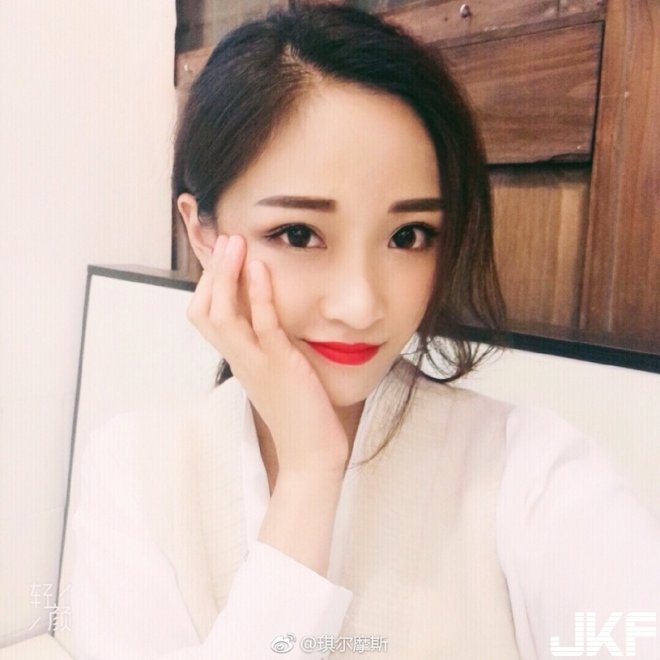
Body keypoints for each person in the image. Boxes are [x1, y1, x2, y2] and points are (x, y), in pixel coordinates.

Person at [70, 4, 660, 659]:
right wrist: (308, 475)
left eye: (408, 236)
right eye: (299, 234)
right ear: (202, 232)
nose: (360, 305)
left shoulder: (527, 470)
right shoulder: (135, 472)